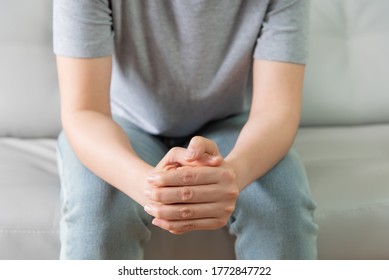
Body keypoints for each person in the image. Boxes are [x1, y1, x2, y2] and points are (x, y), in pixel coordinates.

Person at [53, 0, 318, 259]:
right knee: (97, 209)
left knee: (283, 206)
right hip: (124, 123)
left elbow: (276, 110)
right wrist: (150, 187)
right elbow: (85, 111)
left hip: (228, 122)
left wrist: (234, 174)